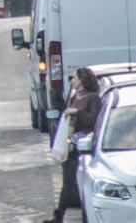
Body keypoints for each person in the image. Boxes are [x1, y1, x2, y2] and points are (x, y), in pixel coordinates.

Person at [43, 68, 101, 223]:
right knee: (68, 180)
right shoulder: (75, 96)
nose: (72, 81)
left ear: (82, 80)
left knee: (81, 182)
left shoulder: (93, 98)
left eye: (75, 78)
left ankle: (84, 216)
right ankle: (59, 215)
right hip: (71, 144)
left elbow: (93, 119)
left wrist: (76, 113)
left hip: (84, 146)